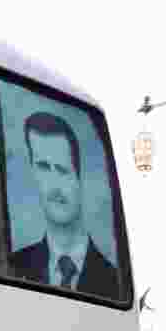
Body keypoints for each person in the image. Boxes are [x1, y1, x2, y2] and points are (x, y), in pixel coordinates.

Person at [10, 112, 118, 298]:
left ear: (80, 178)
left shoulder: (115, 283)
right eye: (43, 167)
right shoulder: (12, 267)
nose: (54, 184)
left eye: (62, 170)